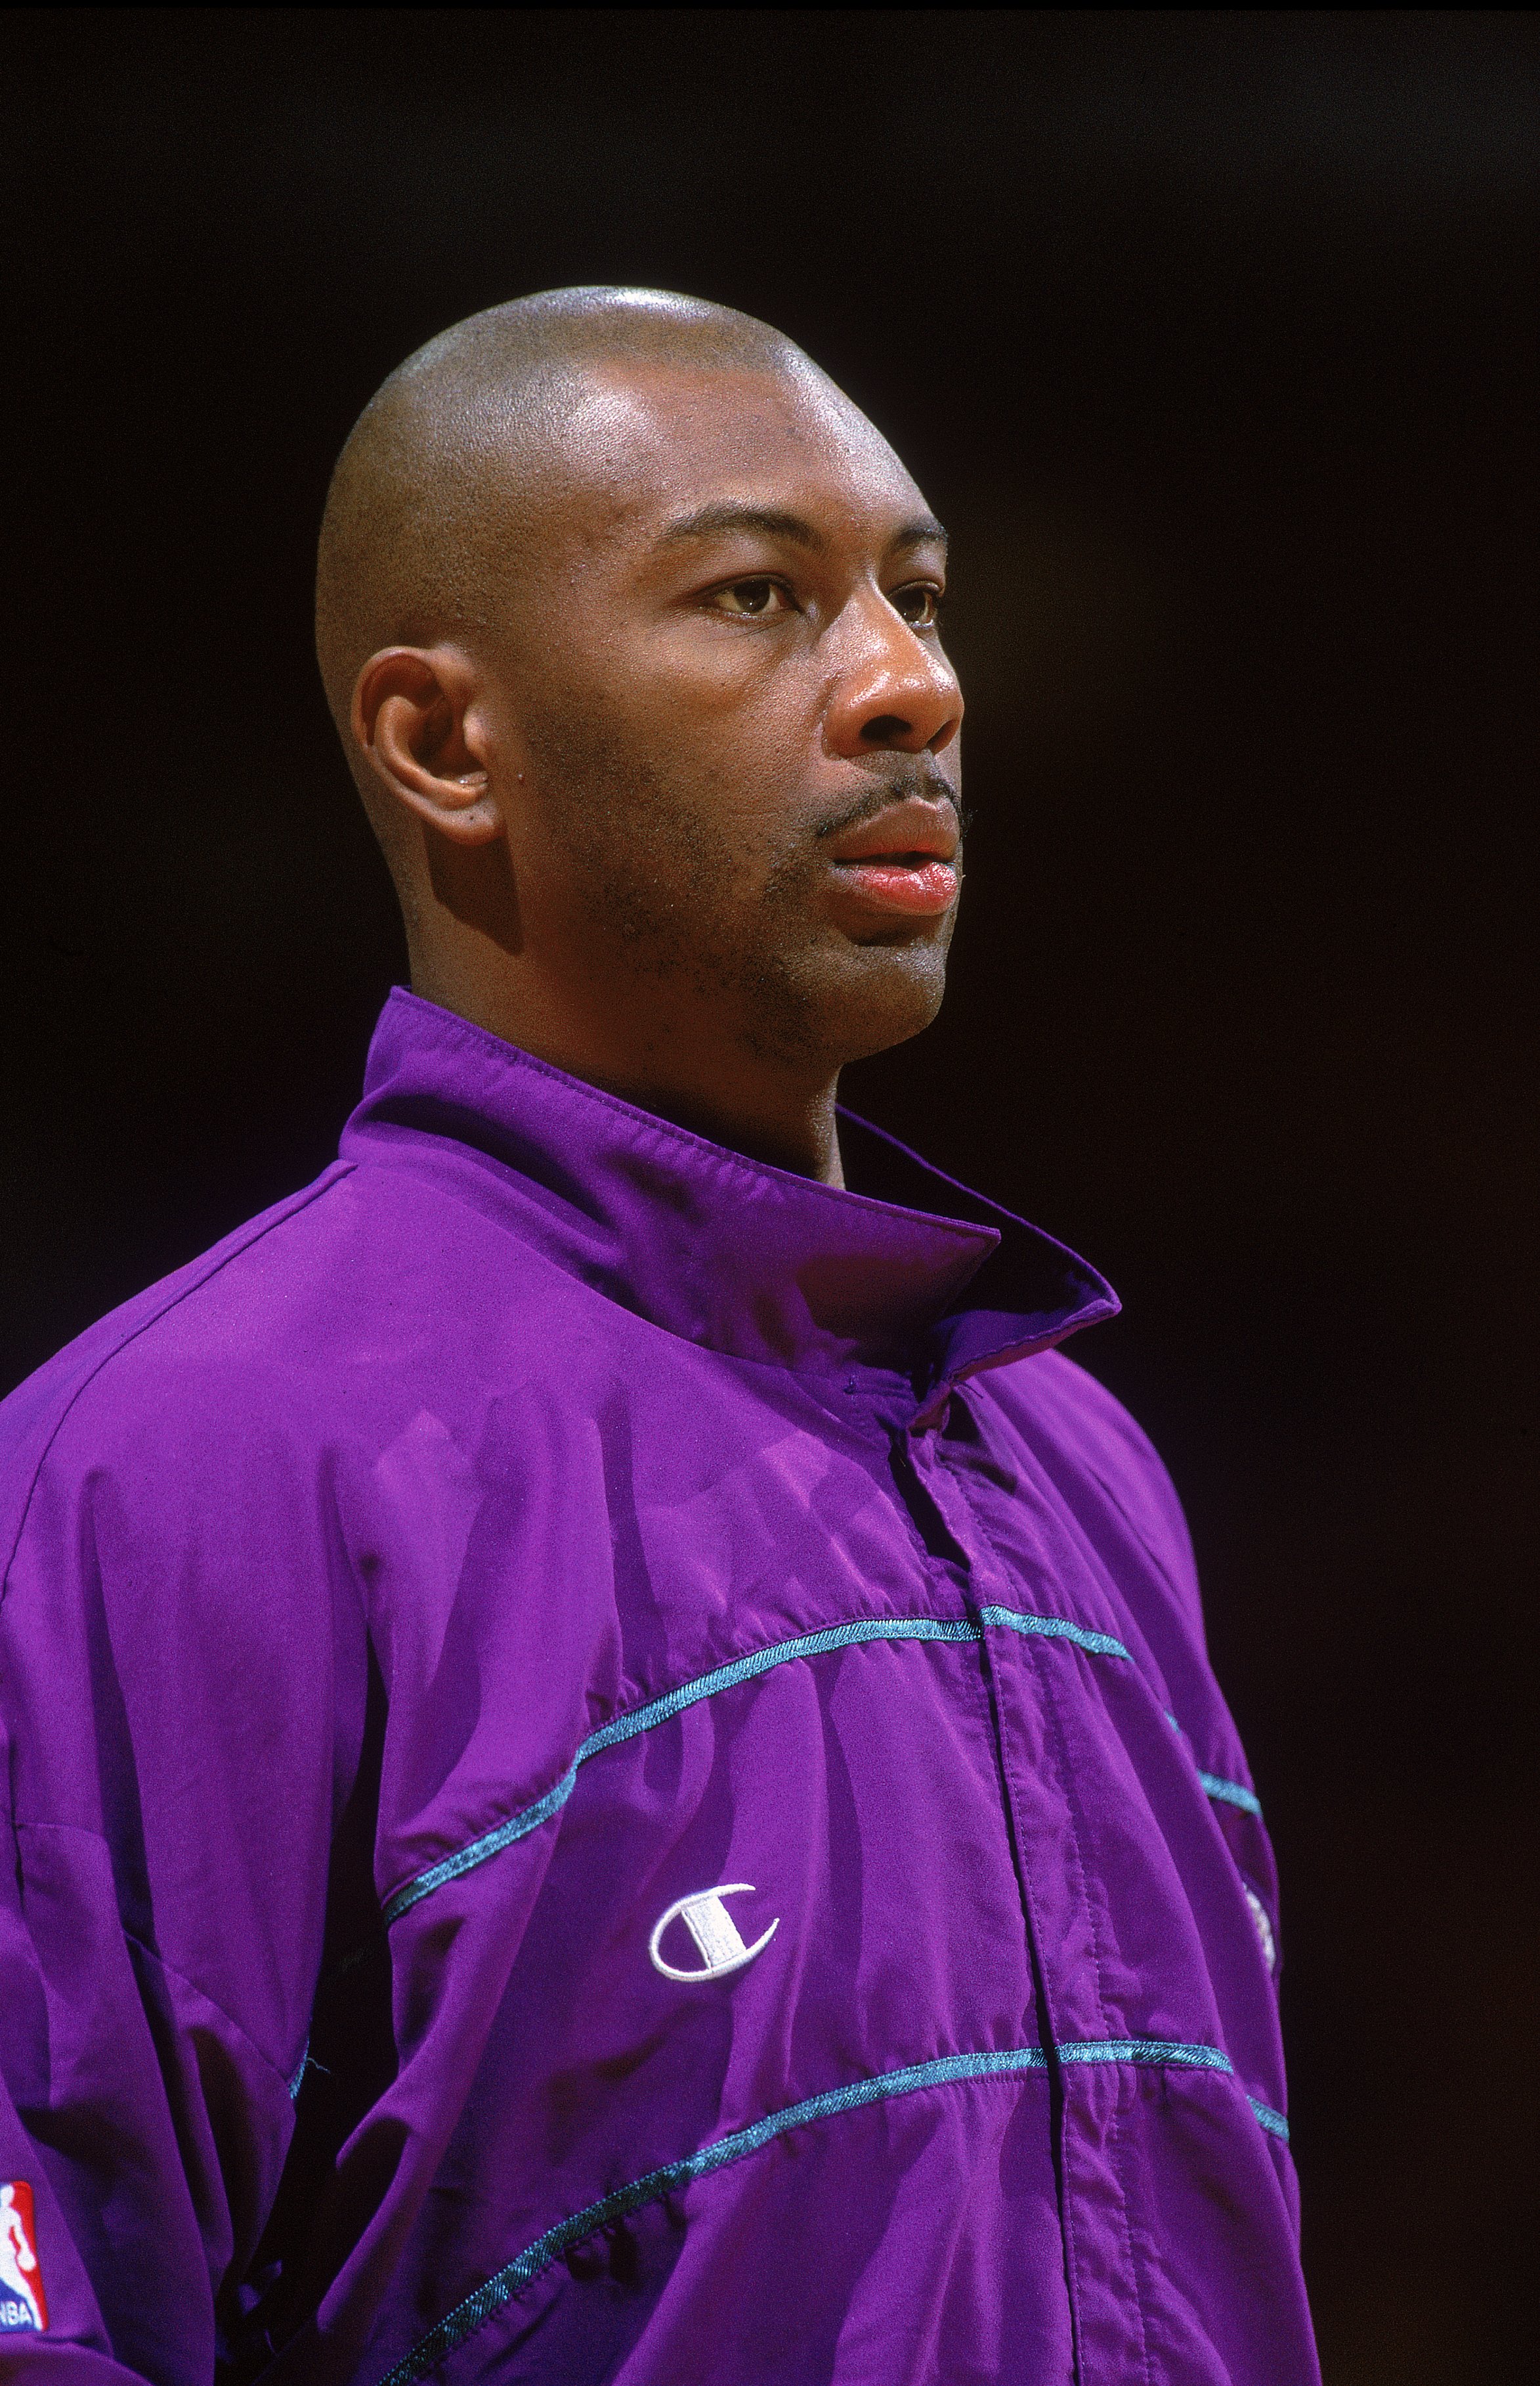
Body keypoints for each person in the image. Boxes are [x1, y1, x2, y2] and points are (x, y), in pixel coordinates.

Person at [0, 288, 1318, 2385]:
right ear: (445, 740)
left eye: (917, 594)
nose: (911, 687)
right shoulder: (171, 1470)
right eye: (754, 596)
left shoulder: (1075, 1460)